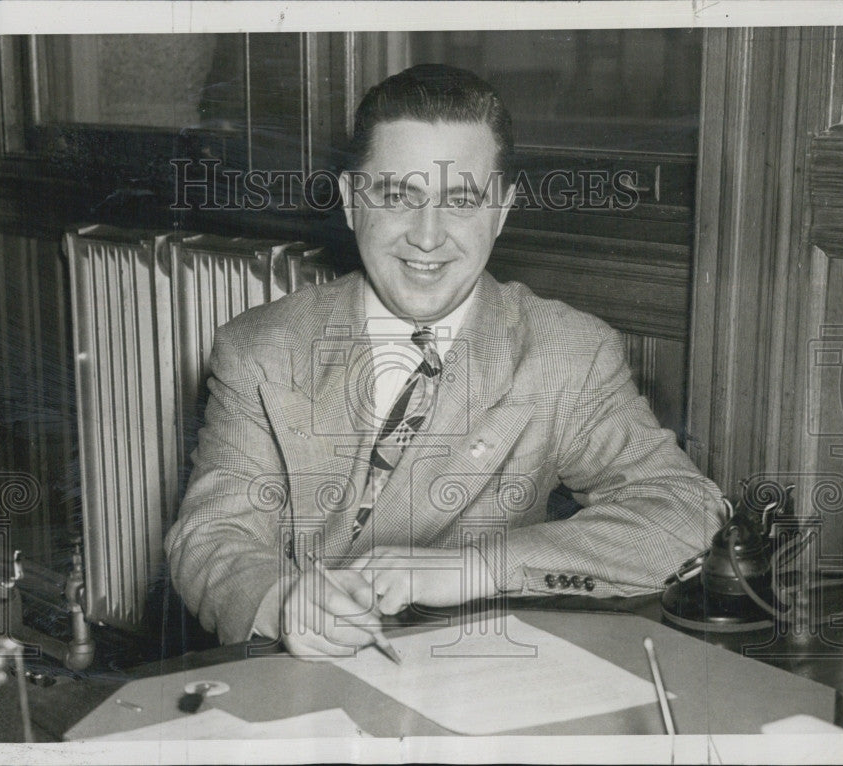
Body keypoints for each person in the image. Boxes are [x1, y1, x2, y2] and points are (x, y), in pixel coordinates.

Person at [164, 64, 722, 657]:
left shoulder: (565, 353)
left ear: (502, 211)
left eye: (460, 201)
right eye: (399, 196)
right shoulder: (263, 349)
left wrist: (473, 568)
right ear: (353, 203)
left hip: (476, 675)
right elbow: (211, 535)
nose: (427, 237)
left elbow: (685, 512)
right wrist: (281, 600)